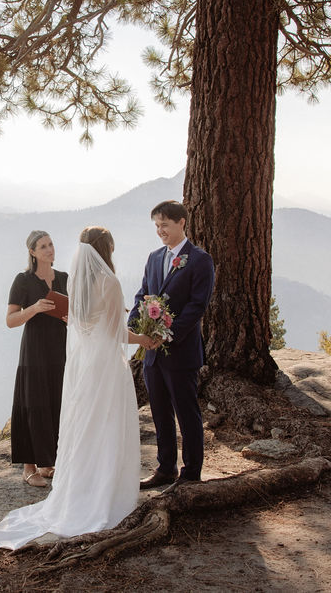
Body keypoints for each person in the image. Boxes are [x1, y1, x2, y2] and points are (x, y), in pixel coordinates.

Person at [0, 226, 159, 550]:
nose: (50, 249)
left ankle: (82, 488)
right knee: (106, 425)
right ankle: (105, 493)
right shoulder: (107, 281)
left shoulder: (77, 280)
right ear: (105, 249)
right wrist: (144, 339)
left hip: (83, 364)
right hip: (102, 364)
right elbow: (116, 334)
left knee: (86, 425)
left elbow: (80, 321)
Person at [131, 200, 215, 491]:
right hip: (152, 354)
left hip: (181, 351)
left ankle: (191, 473)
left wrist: (167, 334)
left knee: (186, 412)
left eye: (165, 225)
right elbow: (143, 295)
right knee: (159, 412)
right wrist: (134, 326)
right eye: (156, 225)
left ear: (181, 223)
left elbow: (196, 306)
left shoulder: (200, 260)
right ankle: (165, 469)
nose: (160, 231)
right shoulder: (154, 258)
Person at [5, 230, 68, 487]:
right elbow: (10, 320)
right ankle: (28, 467)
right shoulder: (23, 280)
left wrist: (69, 317)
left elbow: (72, 310)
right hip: (34, 349)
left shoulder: (64, 277)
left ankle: (49, 463)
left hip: (61, 347)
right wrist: (34, 308)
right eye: (43, 246)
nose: (49, 249)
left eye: (51, 244)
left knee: (57, 400)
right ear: (32, 252)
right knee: (33, 402)